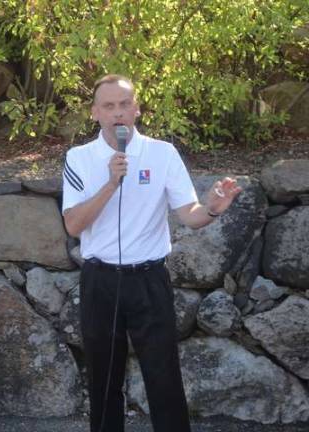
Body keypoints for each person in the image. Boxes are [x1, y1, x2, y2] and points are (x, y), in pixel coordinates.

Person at [62, 74, 242, 432]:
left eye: (124, 104)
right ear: (95, 113)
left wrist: (213, 209)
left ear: (137, 109)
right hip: (101, 281)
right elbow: (73, 225)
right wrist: (110, 183)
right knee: (103, 380)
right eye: (109, 106)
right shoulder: (79, 158)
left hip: (149, 280)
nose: (118, 113)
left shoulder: (162, 153)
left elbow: (190, 215)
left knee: (164, 378)